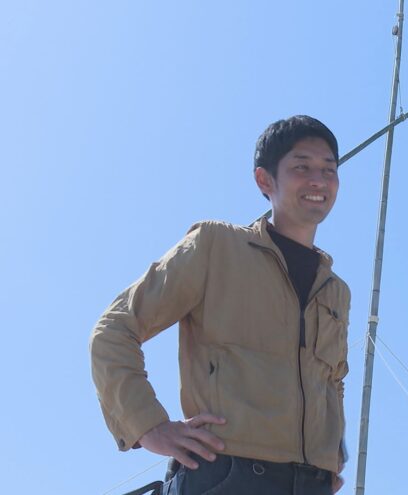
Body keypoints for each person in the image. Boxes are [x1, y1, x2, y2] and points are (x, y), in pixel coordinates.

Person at [90, 115, 351, 495]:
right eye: (302, 167)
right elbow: (114, 329)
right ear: (265, 180)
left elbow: (333, 383)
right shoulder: (215, 246)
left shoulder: (336, 291)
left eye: (329, 169)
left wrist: (332, 456)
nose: (318, 180)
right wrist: (148, 426)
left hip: (313, 484)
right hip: (227, 476)